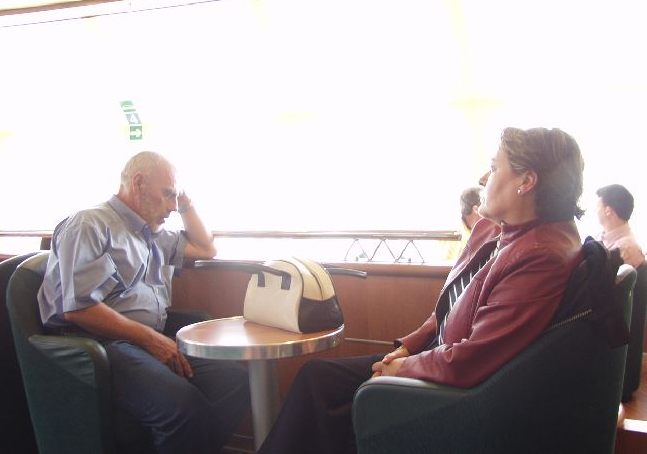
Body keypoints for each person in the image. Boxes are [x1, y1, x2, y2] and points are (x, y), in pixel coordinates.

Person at [258, 127, 585, 454]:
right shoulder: (494, 230)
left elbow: (474, 359)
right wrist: (406, 349)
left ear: (526, 181)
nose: (483, 178)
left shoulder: (541, 257)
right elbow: (448, 309)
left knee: (326, 394)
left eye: (494, 167)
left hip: (455, 390)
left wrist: (403, 368)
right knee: (318, 378)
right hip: (434, 355)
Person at [37, 151, 250, 454]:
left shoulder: (153, 233)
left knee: (234, 382)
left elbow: (207, 248)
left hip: (144, 339)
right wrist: (150, 339)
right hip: (99, 342)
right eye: (168, 194)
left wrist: (186, 203)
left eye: (175, 197)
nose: (172, 207)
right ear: (138, 183)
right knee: (181, 405)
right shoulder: (89, 224)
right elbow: (80, 308)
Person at [596, 184, 645, 269]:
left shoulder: (624, 250)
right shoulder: (602, 235)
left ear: (608, 211)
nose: (594, 210)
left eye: (597, 207)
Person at [441, 186, 483, 260]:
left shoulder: (474, 231)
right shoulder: (455, 235)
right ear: (476, 209)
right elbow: (448, 263)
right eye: (486, 204)